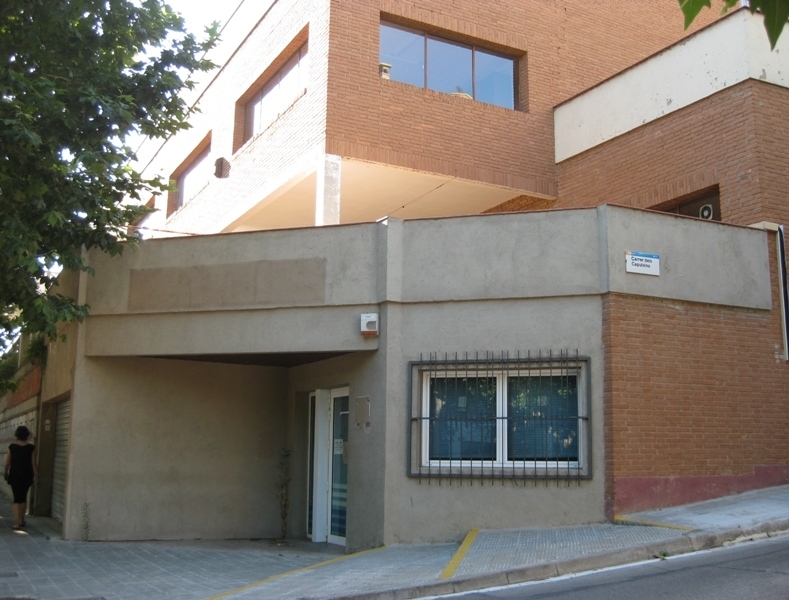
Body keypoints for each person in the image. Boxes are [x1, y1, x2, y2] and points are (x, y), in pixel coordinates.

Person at [3, 425, 38, 530]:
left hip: (15, 475)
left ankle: (16, 523)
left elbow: (7, 463)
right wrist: (36, 476)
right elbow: (33, 464)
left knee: (16, 498)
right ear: (27, 435)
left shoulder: (12, 447)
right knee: (23, 497)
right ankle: (22, 520)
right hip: (27, 475)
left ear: (17, 435)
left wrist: (5, 473)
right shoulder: (31, 448)